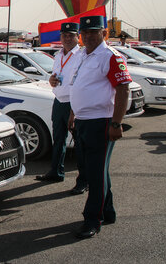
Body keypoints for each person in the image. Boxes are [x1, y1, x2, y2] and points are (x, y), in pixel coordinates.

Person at [68, 15, 132, 239]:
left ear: (104, 33)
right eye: (84, 33)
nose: (88, 37)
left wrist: (116, 123)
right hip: (83, 121)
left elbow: (123, 90)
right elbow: (78, 86)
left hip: (101, 121)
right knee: (96, 170)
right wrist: (73, 114)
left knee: (95, 173)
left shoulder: (110, 56)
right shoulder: (83, 56)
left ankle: (92, 219)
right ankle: (108, 211)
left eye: (93, 32)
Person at [36, 23, 88, 195]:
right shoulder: (58, 55)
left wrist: (74, 110)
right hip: (59, 100)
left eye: (71, 35)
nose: (67, 38)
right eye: (64, 35)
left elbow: (80, 81)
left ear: (77, 37)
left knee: (80, 143)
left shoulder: (81, 55)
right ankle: (56, 172)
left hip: (75, 103)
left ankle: (84, 180)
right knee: (58, 139)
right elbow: (56, 75)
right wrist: (51, 80)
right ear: (60, 37)